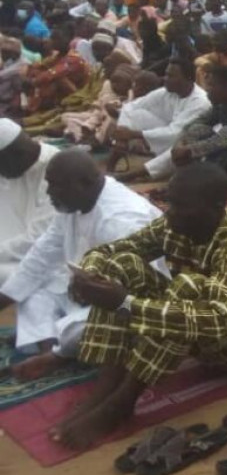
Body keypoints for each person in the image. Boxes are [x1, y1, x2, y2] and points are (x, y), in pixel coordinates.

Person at [55, 163, 227, 449]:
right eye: (170, 203)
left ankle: (121, 402)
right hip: (204, 335)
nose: (170, 212)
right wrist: (88, 277)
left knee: (190, 287)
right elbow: (109, 252)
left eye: (180, 206)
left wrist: (125, 303)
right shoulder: (174, 224)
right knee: (120, 265)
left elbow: (218, 319)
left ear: (215, 208)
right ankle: (105, 387)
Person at [0, 151, 161, 377]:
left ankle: (57, 352)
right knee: (32, 291)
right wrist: (6, 298)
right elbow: (42, 253)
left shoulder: (121, 221)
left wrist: (92, 292)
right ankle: (52, 348)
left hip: (125, 305)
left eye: (54, 186)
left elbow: (135, 299)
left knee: (84, 327)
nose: (48, 192)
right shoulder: (73, 201)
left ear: (83, 183)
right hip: (82, 292)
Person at [110, 58, 213, 181]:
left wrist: (133, 134)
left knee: (180, 146)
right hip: (166, 138)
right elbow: (131, 106)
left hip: (187, 145)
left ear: (189, 79)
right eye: (166, 74)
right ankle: (113, 161)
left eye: (171, 76)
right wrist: (123, 135)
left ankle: (135, 174)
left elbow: (176, 133)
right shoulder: (167, 92)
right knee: (137, 114)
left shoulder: (200, 102)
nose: (165, 78)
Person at [0, 119, 59, 286]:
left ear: (16, 154)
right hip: (9, 252)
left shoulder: (57, 171)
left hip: (43, 260)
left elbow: (40, 238)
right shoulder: (12, 165)